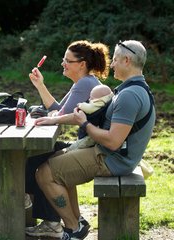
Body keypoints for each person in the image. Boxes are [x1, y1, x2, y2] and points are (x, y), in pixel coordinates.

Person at [35, 40, 155, 239]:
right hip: (112, 155)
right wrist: (58, 119)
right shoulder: (134, 89)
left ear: (127, 60)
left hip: (111, 160)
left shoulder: (130, 96)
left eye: (115, 60)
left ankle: (72, 229)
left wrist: (85, 124)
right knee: (56, 158)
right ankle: (77, 222)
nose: (112, 65)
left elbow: (113, 142)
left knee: (43, 173)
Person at [25, 40, 110, 238]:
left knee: (41, 159)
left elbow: (61, 116)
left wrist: (49, 118)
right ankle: (69, 221)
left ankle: (38, 206)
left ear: (81, 64)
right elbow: (57, 110)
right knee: (47, 155)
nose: (63, 63)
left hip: (91, 148)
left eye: (67, 60)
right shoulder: (82, 83)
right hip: (88, 145)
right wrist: (40, 85)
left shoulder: (85, 83)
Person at [66, 84, 113, 151]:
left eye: (91, 98)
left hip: (91, 135)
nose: (89, 99)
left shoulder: (99, 103)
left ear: (99, 99)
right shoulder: (108, 101)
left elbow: (89, 108)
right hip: (96, 132)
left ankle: (70, 150)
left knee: (79, 145)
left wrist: (81, 105)